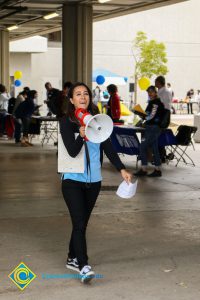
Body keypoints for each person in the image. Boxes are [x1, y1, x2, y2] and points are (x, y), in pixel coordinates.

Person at [59, 82, 132, 283]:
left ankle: (71, 257)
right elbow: (72, 152)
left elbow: (108, 147)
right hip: (72, 180)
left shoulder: (98, 121)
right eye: (78, 94)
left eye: (86, 94)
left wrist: (122, 169)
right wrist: (82, 136)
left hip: (94, 181)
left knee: (81, 223)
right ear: (72, 100)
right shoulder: (66, 122)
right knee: (80, 223)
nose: (83, 97)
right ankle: (83, 266)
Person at [134, 86, 165, 177]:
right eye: (148, 92)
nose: (150, 94)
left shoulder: (156, 102)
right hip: (151, 127)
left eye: (151, 92)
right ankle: (157, 169)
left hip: (154, 128)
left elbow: (151, 115)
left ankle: (144, 169)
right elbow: (149, 114)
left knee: (142, 147)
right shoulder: (153, 102)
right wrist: (142, 114)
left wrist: (143, 115)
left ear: (156, 92)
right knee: (155, 149)